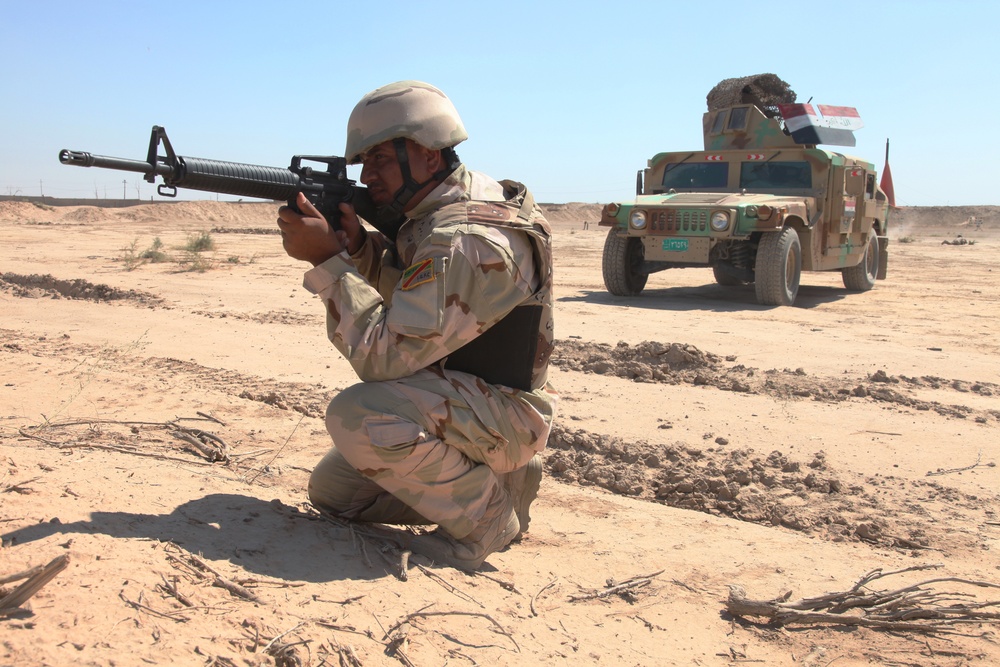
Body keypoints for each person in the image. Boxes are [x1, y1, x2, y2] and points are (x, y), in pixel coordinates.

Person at [276, 80, 557, 571]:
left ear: (430, 155)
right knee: (336, 494)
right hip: (466, 395)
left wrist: (329, 264)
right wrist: (360, 251)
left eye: (381, 159)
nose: (368, 176)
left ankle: (487, 519)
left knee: (357, 414)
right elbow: (428, 304)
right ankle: (497, 481)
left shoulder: (464, 237)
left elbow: (384, 358)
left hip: (502, 412)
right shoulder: (443, 209)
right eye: (364, 162)